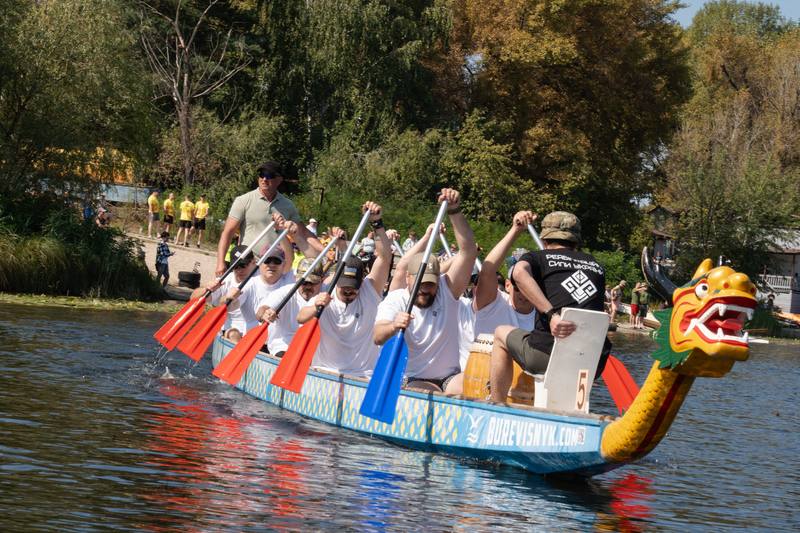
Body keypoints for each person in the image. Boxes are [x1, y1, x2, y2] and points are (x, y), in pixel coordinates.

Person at [489, 211, 611, 403]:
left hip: (546, 355)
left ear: (545, 240)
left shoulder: (538, 258)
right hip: (592, 363)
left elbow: (519, 273)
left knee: (499, 334)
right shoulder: (597, 266)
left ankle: (496, 406)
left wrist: (552, 314)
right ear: (576, 241)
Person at [374, 189, 477, 393]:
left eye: (430, 283)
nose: (425, 289)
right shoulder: (396, 300)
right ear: (408, 279)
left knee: (475, 385)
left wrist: (454, 210)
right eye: (420, 283)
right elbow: (377, 336)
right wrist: (394, 326)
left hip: (450, 377)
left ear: (438, 281)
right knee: (430, 392)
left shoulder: (447, 291)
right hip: (412, 378)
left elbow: (469, 251)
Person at [300, 202, 390, 377]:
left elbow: (385, 257)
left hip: (364, 376)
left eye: (353, 287)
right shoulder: (326, 291)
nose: (349, 291)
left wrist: (377, 223)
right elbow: (301, 317)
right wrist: (315, 307)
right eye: (344, 287)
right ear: (336, 281)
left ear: (361, 282)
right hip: (324, 372)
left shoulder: (370, 290)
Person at [453, 211, 538, 392]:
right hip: (473, 380)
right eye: (518, 285)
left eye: (528, 285)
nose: (523, 292)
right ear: (507, 285)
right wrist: (515, 230)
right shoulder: (492, 303)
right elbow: (488, 270)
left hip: (522, 388)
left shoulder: (545, 316)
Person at [215, 161, 322, 277]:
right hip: (248, 264)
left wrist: (326, 250)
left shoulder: (288, 205)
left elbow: (304, 233)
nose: (264, 179)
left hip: (274, 266)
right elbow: (228, 232)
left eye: (270, 175)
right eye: (261, 174)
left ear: (279, 179)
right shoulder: (243, 200)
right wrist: (220, 262)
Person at [257, 257, 326, 357]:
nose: (308, 287)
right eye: (304, 283)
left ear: (322, 280)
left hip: (314, 350)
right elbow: (262, 310)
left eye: (313, 283)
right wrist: (265, 313)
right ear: (296, 278)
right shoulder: (285, 292)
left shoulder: (327, 293)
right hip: (284, 346)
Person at [191, 245, 258, 342]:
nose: (239, 270)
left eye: (243, 266)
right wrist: (206, 289)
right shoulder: (225, 280)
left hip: (255, 334)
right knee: (233, 334)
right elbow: (193, 298)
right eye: (236, 267)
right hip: (232, 331)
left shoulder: (262, 278)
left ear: (253, 262)